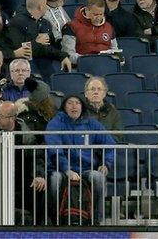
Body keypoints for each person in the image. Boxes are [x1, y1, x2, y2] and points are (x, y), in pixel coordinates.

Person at [45, 95, 116, 225]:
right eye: (70, 103)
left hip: (86, 168)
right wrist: (67, 170)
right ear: (64, 107)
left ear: (82, 106)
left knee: (98, 177)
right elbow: (55, 151)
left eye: (77, 103)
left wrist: (107, 163)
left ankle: (96, 220)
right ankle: (55, 220)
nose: (74, 106)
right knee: (55, 179)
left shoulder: (92, 123)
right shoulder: (55, 123)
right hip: (60, 169)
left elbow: (110, 145)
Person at [61, 0, 119, 68]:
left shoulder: (109, 27)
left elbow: (115, 50)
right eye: (95, 14)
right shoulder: (71, 26)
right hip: (82, 68)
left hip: (105, 66)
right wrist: (90, 60)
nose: (98, 18)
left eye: (101, 14)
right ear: (86, 10)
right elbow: (68, 55)